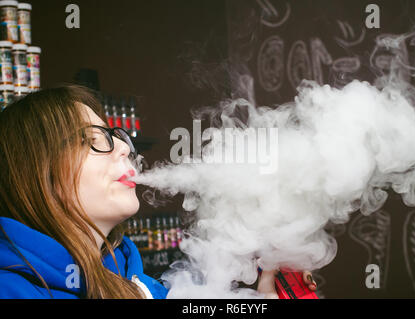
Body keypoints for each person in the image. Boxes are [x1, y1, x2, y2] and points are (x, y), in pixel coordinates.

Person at [0, 85, 315, 299]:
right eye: (93, 139)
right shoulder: (11, 288)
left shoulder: (139, 285)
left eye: (117, 136)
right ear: (38, 172)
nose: (124, 147)